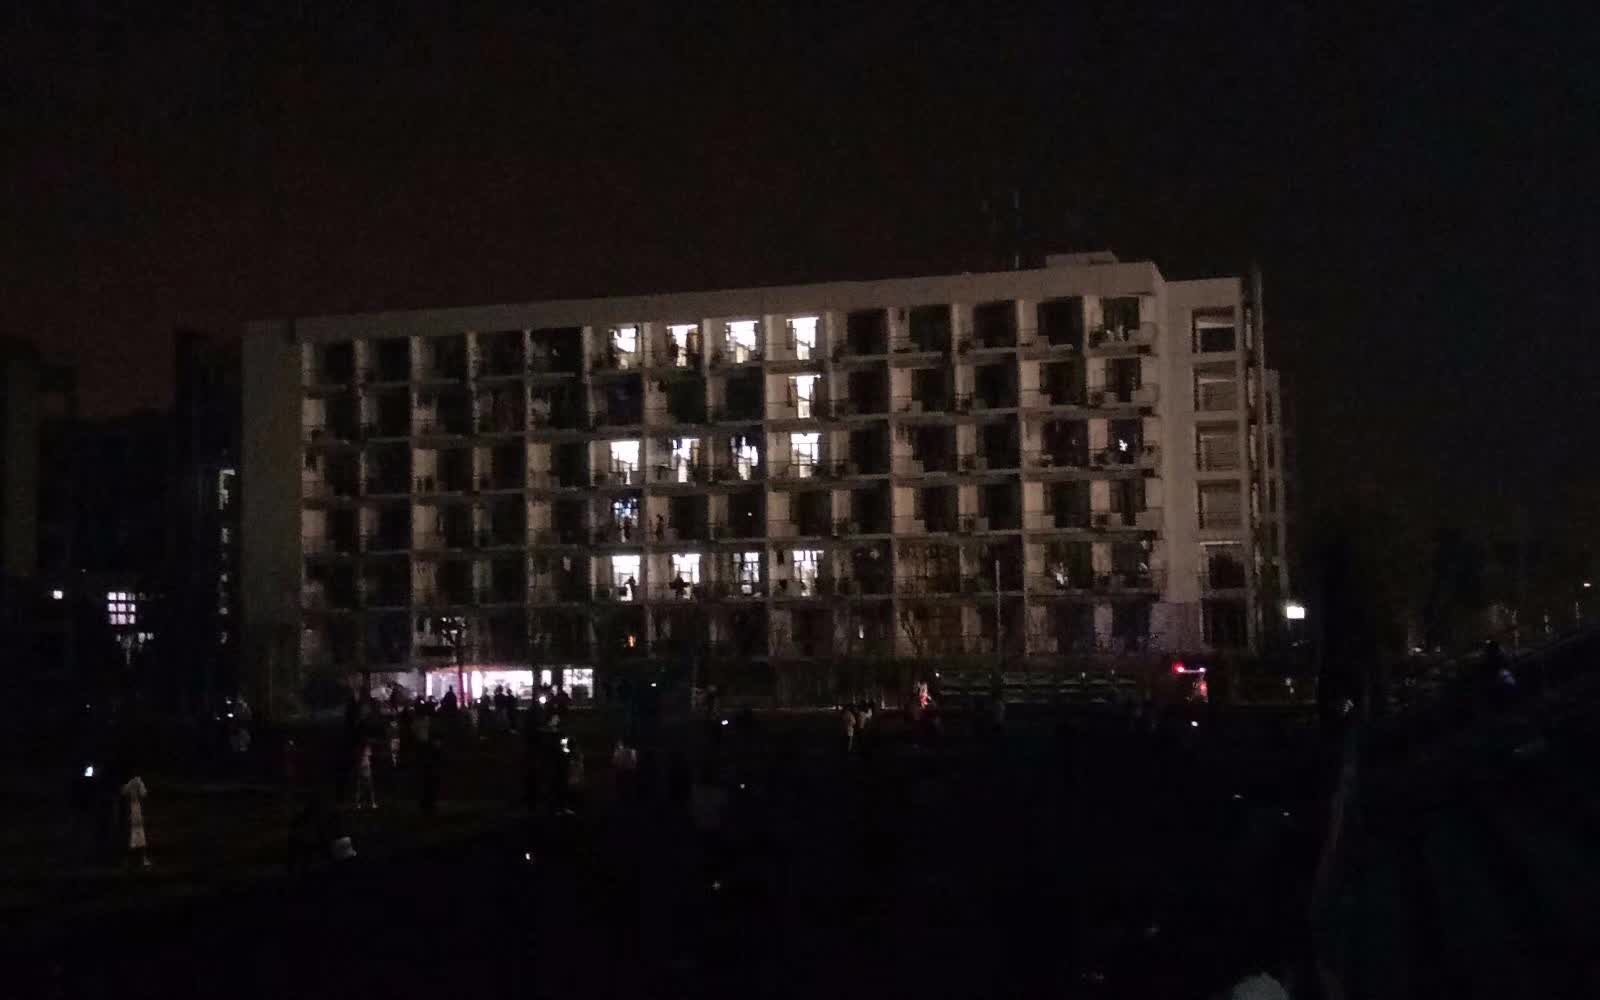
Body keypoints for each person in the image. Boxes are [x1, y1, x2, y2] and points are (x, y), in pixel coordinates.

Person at [120, 772, 151, 869]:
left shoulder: (138, 782)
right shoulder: (129, 785)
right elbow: (123, 792)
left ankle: (143, 859)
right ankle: (129, 861)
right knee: (130, 839)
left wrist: (137, 784)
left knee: (141, 838)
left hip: (137, 815)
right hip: (131, 816)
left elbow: (143, 794)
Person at [353, 741, 378, 809]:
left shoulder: (360, 749)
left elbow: (369, 754)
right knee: (363, 789)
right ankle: (363, 804)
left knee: (366, 789)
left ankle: (369, 803)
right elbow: (369, 754)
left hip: (364, 770)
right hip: (363, 770)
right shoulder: (362, 749)